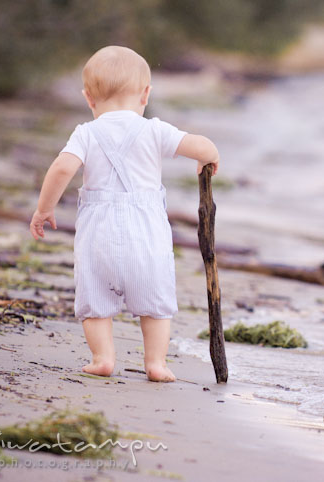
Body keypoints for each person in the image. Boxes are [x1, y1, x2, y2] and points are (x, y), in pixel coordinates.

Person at [30, 46, 219, 382]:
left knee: (95, 301)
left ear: (88, 98)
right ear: (145, 94)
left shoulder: (86, 133)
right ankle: (156, 363)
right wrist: (208, 158)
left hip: (97, 236)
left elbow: (62, 168)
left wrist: (44, 209)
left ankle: (103, 358)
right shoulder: (154, 130)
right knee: (155, 304)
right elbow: (202, 146)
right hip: (146, 238)